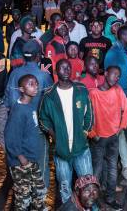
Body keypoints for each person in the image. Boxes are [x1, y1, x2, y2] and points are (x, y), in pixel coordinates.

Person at [39, 59, 93, 204]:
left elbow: (90, 114)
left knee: (88, 184)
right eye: (62, 68)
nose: (66, 70)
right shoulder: (49, 96)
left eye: (68, 68)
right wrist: (54, 136)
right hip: (61, 151)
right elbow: (43, 119)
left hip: (81, 148)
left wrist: (84, 132)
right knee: (64, 186)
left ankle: (88, 207)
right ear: (56, 71)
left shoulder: (81, 90)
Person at [88, 66, 127, 211]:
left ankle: (110, 198)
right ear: (105, 74)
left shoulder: (118, 90)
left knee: (112, 170)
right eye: (114, 74)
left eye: (118, 76)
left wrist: (120, 128)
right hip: (98, 139)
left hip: (113, 137)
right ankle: (92, 202)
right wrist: (92, 134)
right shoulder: (93, 93)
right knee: (97, 171)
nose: (116, 78)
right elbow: (86, 116)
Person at [5, 74, 47, 210]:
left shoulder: (30, 106)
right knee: (23, 198)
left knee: (39, 192)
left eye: (36, 83)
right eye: (30, 84)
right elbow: (10, 137)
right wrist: (21, 158)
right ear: (21, 89)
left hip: (31, 159)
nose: (35, 87)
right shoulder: (18, 111)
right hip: (21, 162)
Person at [104, 26, 127, 97]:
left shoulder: (126, 50)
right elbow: (108, 75)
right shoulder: (113, 52)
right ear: (123, 36)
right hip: (117, 93)